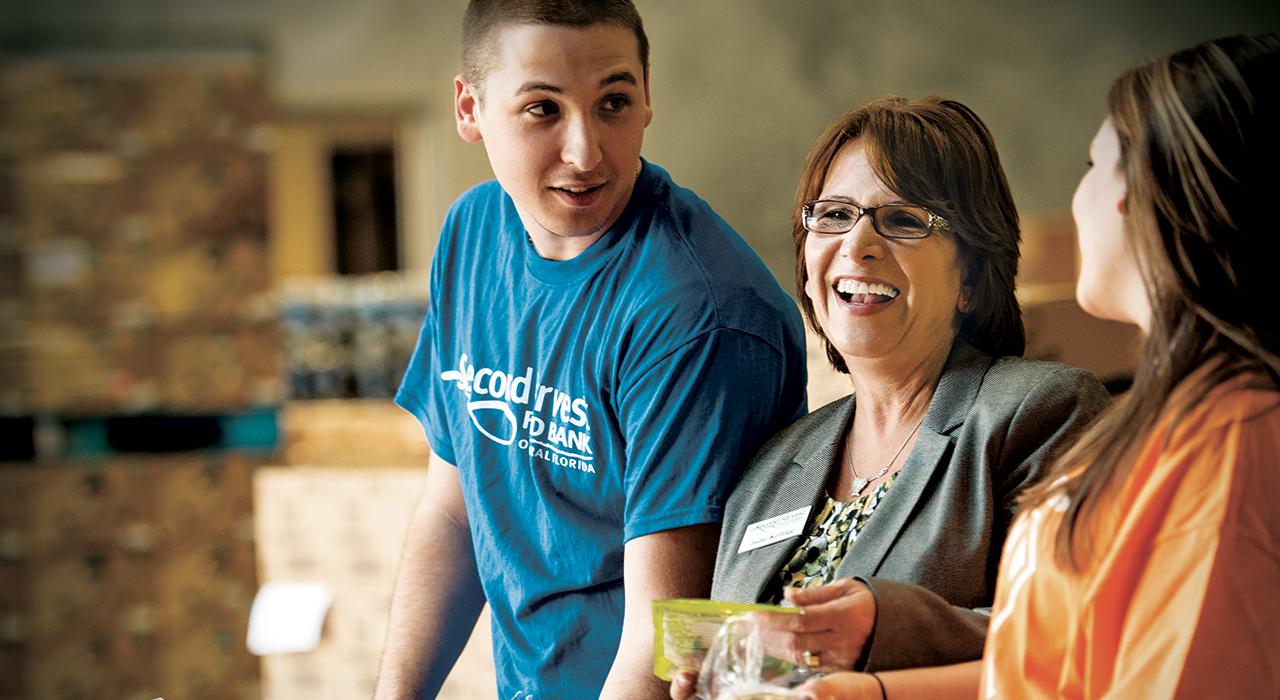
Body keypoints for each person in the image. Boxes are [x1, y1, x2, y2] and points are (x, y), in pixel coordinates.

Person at [801, 33, 1280, 700]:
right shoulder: (1174, 423)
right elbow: (1059, 668)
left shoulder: (1231, 443)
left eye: (1094, 163)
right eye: (834, 216)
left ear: (1140, 196)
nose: (1080, 195)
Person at [374, 2, 808, 699]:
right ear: (469, 108)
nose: (585, 152)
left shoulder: (696, 312)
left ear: (646, 99)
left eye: (613, 102)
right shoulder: (473, 234)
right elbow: (452, 509)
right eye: (542, 109)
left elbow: (665, 645)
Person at [669, 96, 1110, 699]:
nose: (858, 244)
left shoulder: (1042, 413)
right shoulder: (773, 464)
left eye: (903, 220)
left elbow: (1079, 639)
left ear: (973, 281)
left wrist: (877, 636)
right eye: (834, 215)